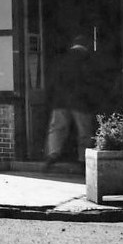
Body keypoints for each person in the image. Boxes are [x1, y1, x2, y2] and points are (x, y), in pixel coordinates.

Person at [44, 33, 97, 168]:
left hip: (60, 100)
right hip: (80, 101)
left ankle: (53, 154)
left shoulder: (62, 58)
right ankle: (83, 159)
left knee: (57, 128)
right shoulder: (88, 59)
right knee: (84, 131)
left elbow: (53, 81)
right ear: (87, 45)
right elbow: (91, 81)